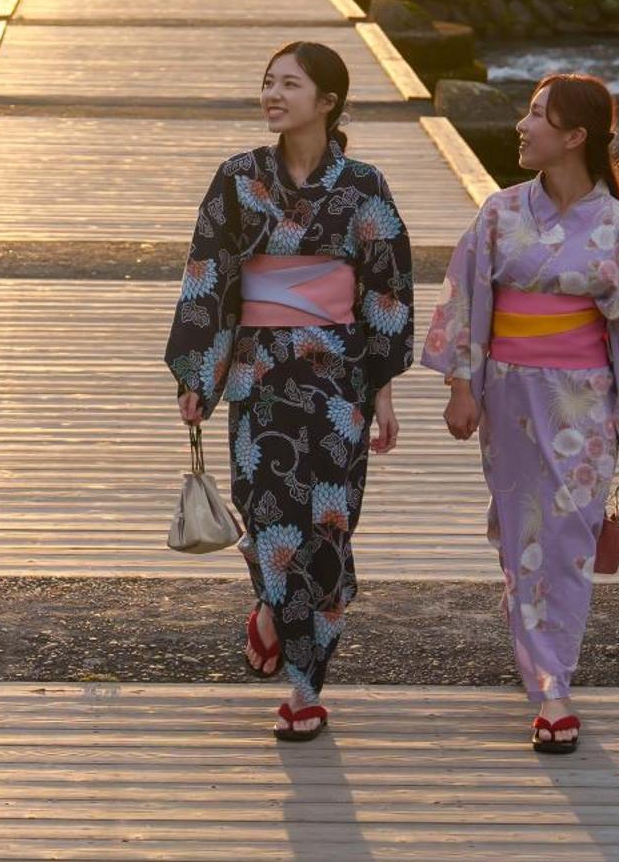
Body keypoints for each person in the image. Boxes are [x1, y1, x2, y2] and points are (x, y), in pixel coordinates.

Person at [421, 73, 619, 753]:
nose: (522, 125)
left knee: (565, 541)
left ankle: (551, 685)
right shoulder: (500, 213)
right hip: (510, 398)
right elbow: (466, 298)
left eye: (537, 115)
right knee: (521, 535)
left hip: (584, 401)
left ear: (574, 136)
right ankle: (545, 671)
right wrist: (461, 384)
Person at [165, 40, 414, 742]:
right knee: (265, 511)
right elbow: (207, 278)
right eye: (268, 81)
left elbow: (387, 288)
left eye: (290, 84)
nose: (273, 94)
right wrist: (200, 378)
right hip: (258, 374)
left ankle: (296, 649)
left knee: (329, 526)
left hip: (340, 381)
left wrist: (384, 390)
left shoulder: (363, 185)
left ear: (327, 100)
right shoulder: (238, 179)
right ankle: (296, 666)